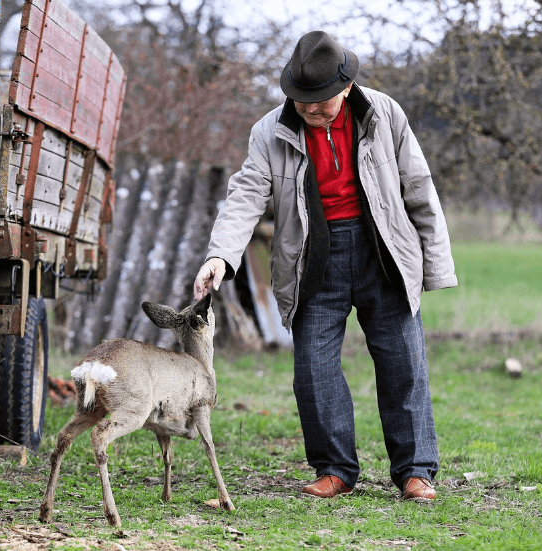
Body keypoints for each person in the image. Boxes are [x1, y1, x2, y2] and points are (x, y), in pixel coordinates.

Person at [193, 31, 457, 501]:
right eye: (302, 101)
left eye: (321, 102)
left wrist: (435, 266)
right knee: (313, 370)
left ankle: (416, 471)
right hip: (313, 259)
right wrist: (221, 255)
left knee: (404, 365)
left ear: (347, 88)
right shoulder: (268, 132)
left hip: (383, 252)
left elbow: (420, 188)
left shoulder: (384, 114)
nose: (311, 110)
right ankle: (334, 468)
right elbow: (246, 196)